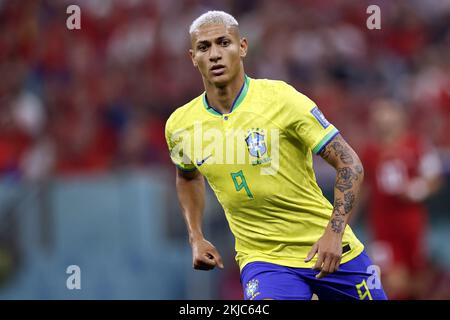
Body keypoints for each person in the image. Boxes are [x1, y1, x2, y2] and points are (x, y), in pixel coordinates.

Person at [165, 10, 387, 300]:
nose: (215, 54)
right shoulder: (180, 126)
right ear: (193, 57)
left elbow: (350, 164)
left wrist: (334, 232)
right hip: (264, 261)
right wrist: (196, 236)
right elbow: (187, 176)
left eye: (224, 43)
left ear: (242, 47)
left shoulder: (282, 99)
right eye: (204, 47)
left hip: (328, 250)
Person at [363, 99, 443, 299]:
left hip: (411, 224)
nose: (384, 120)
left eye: (388, 114)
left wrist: (416, 190)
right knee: (392, 280)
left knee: (417, 280)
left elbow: (434, 177)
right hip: (383, 228)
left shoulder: (416, 145)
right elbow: (361, 189)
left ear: (400, 118)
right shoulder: (370, 152)